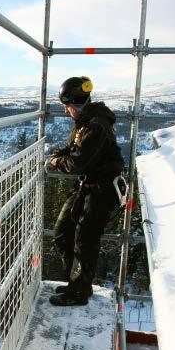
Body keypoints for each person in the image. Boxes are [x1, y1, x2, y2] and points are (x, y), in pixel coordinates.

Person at [48, 76, 123, 306]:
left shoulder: (96, 126)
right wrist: (58, 155)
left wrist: (56, 163)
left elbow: (77, 162)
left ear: (75, 105)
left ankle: (80, 291)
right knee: (63, 232)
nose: (66, 110)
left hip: (101, 190)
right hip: (88, 186)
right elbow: (73, 148)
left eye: (67, 107)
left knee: (85, 238)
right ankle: (77, 283)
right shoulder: (86, 122)